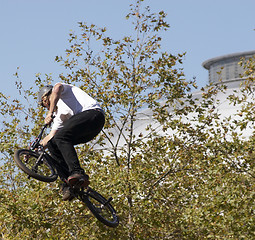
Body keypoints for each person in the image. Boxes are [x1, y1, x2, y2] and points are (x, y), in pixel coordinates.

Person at [38, 83, 105, 200]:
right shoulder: (60, 115)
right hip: (88, 130)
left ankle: (78, 172)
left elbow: (57, 89)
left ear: (47, 97)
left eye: (46, 104)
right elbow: (50, 136)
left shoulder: (62, 90)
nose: (47, 108)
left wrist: (50, 113)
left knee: (60, 137)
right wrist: (32, 151)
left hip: (93, 115)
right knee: (53, 143)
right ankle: (69, 183)